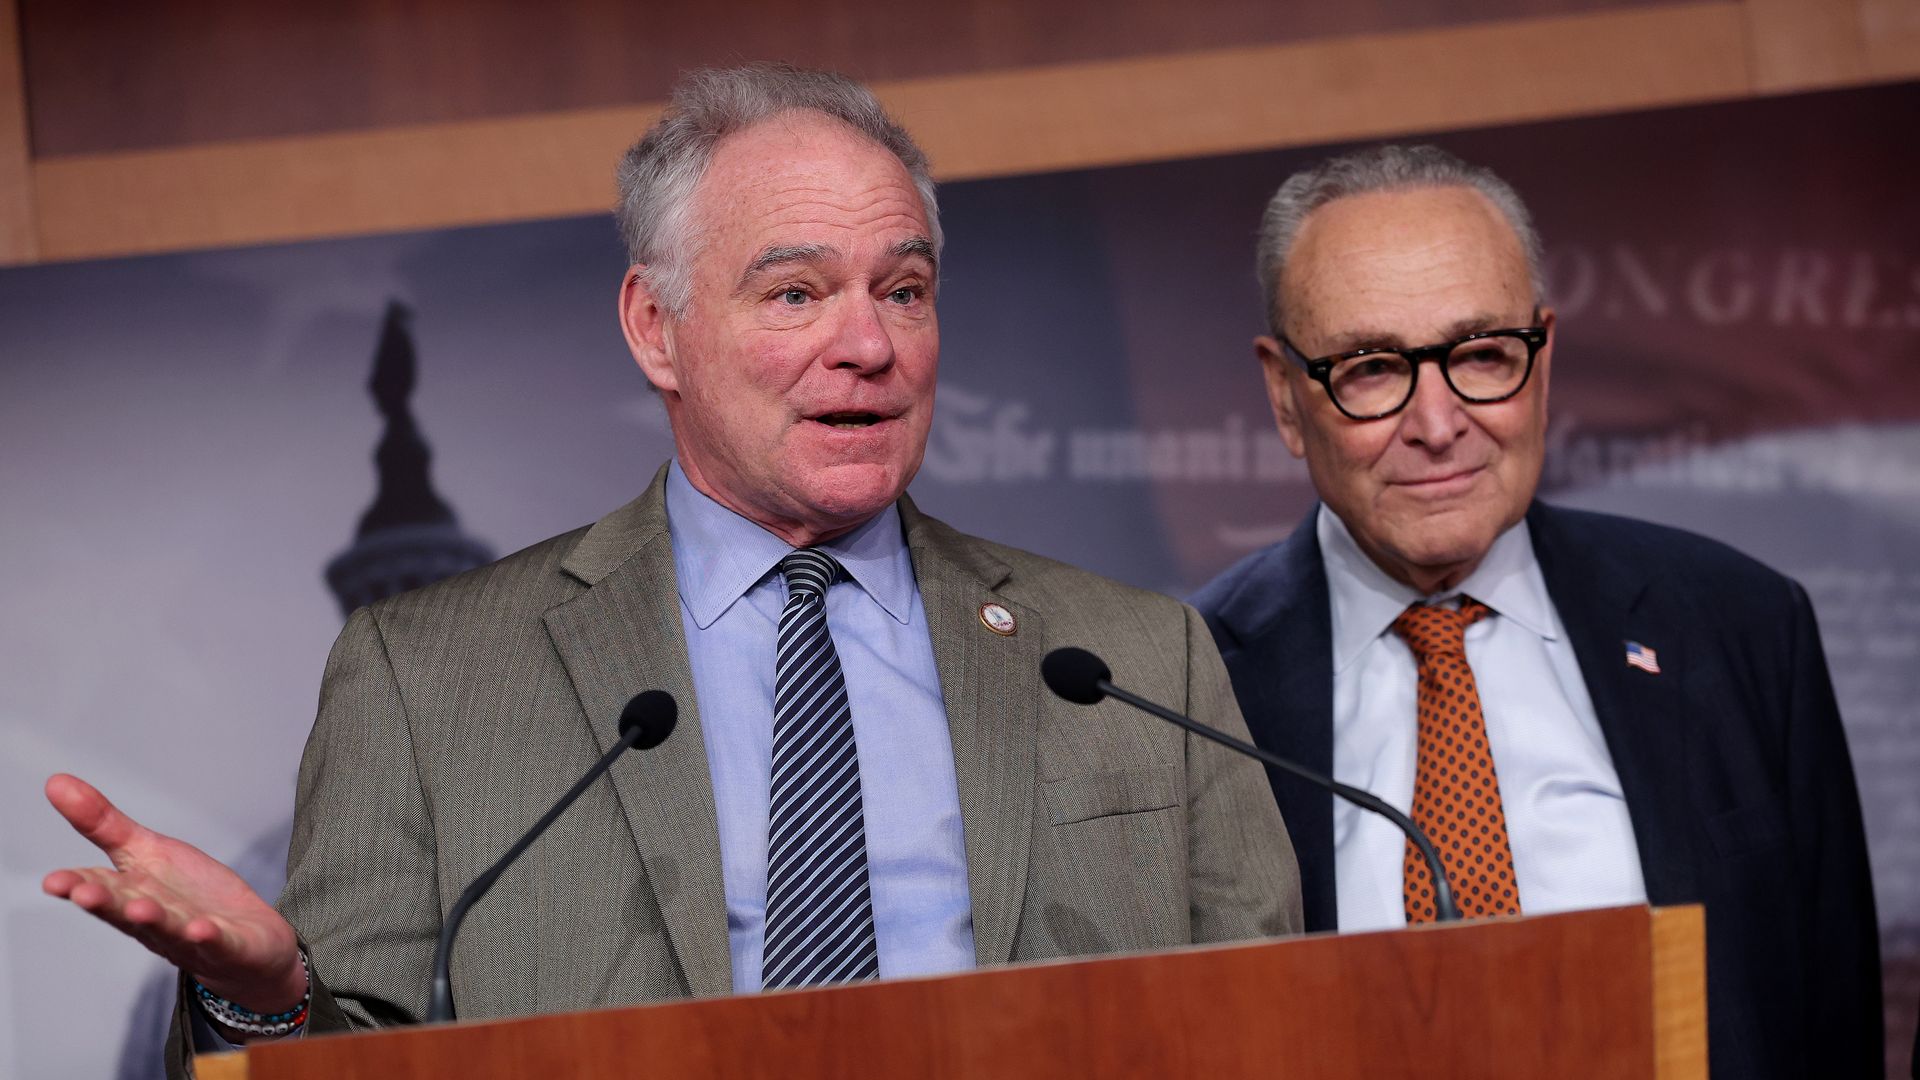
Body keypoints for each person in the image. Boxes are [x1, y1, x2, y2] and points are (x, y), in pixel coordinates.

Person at [43, 64, 1302, 1075]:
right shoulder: (426, 682)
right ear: (658, 328)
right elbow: (359, 1061)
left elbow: (1280, 1035)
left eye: (904, 290)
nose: (868, 343)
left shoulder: (1134, 660)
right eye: (797, 293)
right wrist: (262, 1000)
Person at [1191, 144, 1882, 1077]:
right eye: (1370, 368)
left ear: (1544, 360)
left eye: (1481, 354)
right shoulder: (1187, 686)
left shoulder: (1741, 627)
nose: (1438, 425)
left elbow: (1831, 1022)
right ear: (1284, 394)